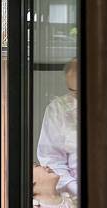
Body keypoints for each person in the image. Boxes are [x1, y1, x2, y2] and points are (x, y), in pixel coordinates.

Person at [37, 58, 78, 197]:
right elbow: (52, 159)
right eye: (74, 92)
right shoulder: (58, 109)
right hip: (75, 196)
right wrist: (76, 189)